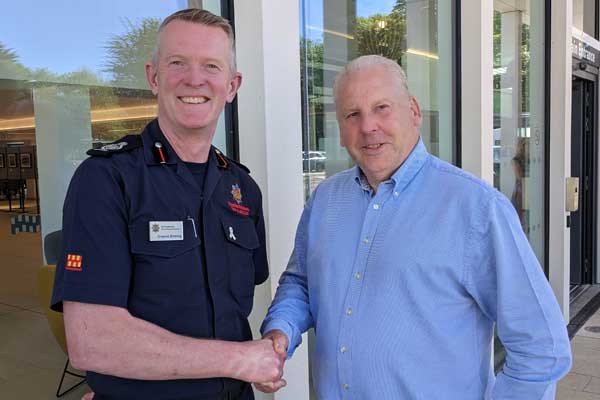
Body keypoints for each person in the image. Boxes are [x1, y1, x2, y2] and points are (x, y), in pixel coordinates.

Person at [259, 55, 572, 399]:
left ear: (414, 112)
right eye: (353, 114)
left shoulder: (476, 209)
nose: (368, 127)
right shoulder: (325, 201)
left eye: (382, 108)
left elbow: (542, 348)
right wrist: (280, 332)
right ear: (340, 126)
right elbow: (302, 283)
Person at [51, 9, 285, 400]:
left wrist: (265, 353)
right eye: (178, 63)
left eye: (211, 65)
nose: (195, 79)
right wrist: (239, 360)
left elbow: (235, 309)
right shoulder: (107, 179)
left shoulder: (242, 189)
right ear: (154, 77)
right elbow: (93, 341)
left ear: (232, 85)